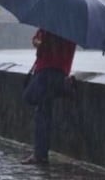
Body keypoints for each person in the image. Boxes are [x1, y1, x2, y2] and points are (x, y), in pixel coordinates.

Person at [20, 27, 77, 165]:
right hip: (59, 71)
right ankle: (65, 88)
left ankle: (40, 155)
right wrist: (38, 42)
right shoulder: (71, 27)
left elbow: (42, 43)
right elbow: (37, 40)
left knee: (38, 109)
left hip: (47, 71)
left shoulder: (51, 26)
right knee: (43, 111)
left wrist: (42, 43)